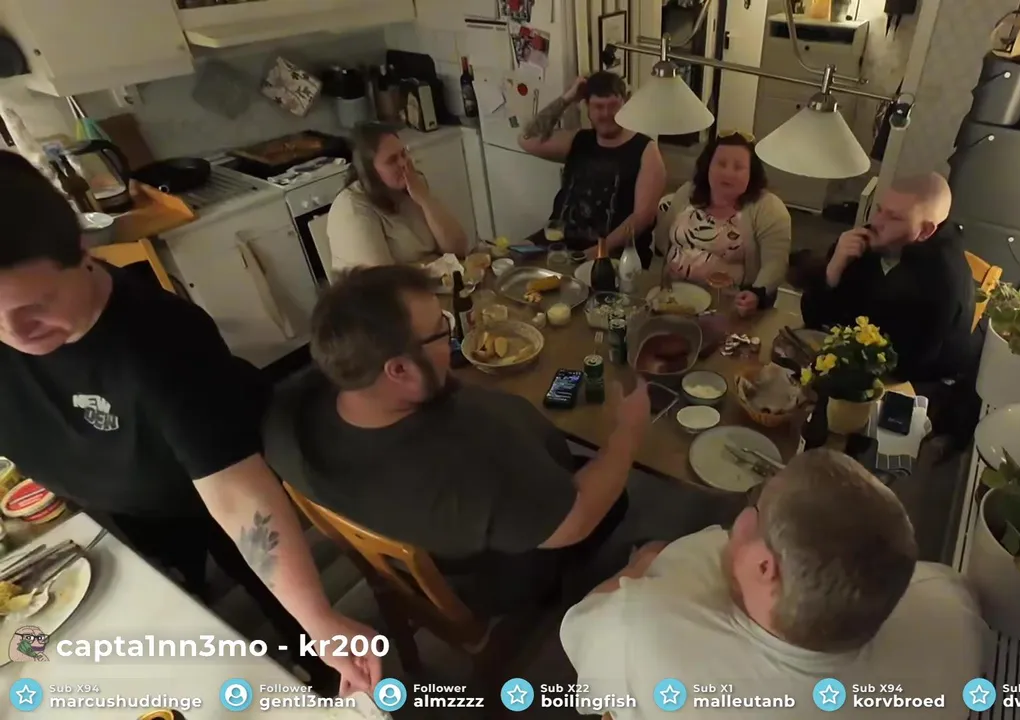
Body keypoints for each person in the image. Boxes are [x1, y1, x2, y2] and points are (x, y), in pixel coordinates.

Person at [0, 153, 379, 695]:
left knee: (281, 605)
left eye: (36, 304)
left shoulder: (162, 339)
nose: (16, 334)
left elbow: (237, 496)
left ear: (82, 250)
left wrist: (320, 623)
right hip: (102, 514)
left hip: (199, 495)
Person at [263, 265, 651, 616]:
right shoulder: (471, 460)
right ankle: (547, 593)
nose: (450, 343)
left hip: (412, 555)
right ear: (399, 370)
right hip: (482, 579)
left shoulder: (287, 413)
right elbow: (576, 519)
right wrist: (628, 432)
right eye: (441, 332)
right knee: (613, 498)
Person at [559, 450, 985, 718]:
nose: (743, 516)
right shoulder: (953, 607)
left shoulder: (640, 630)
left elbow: (579, 632)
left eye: (757, 506)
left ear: (767, 568)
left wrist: (642, 565)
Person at [801, 173, 974, 383]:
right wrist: (833, 270)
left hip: (922, 385)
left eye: (894, 217)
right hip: (855, 361)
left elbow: (906, 366)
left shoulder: (943, 280)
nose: (876, 222)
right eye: (879, 210)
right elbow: (814, 320)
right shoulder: (864, 242)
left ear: (925, 231)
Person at [520, 72, 666, 265]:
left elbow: (642, 217)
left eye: (613, 106)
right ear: (587, 107)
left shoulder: (646, 150)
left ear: (625, 103)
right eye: (598, 106)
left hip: (613, 255)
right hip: (558, 243)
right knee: (507, 259)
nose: (606, 114)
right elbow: (526, 138)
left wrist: (596, 252)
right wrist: (567, 99)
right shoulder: (578, 140)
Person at [654, 131, 792, 317]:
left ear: (751, 173)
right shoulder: (687, 192)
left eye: (738, 167)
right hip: (676, 298)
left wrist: (756, 294)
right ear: (708, 166)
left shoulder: (769, 208)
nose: (728, 173)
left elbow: (775, 265)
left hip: (729, 307)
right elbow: (663, 241)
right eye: (721, 164)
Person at [326, 122, 470, 273]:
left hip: (433, 278)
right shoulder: (351, 207)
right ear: (370, 171)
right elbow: (384, 280)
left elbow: (458, 248)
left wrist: (425, 199)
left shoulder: (413, 184)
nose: (403, 163)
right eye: (392, 160)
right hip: (401, 286)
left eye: (403, 153)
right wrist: (438, 265)